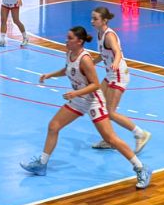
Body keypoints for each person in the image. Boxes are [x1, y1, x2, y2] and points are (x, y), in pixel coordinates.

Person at [20, 26, 152, 189]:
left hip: (93, 101)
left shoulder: (86, 59)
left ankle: (141, 168)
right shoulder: (69, 53)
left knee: (111, 139)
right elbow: (68, 69)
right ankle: (42, 164)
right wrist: (50, 75)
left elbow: (96, 85)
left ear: (79, 41)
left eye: (69, 38)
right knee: (53, 126)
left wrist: (75, 94)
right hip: (79, 99)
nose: (66, 40)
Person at [89, 6, 152, 153]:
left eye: (95, 19)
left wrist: (116, 62)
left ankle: (140, 134)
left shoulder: (109, 36)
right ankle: (109, 140)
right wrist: (89, 64)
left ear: (104, 20)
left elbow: (117, 52)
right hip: (110, 74)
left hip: (118, 74)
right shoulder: (100, 34)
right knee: (99, 106)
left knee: (110, 112)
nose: (92, 21)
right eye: (92, 18)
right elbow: (102, 55)